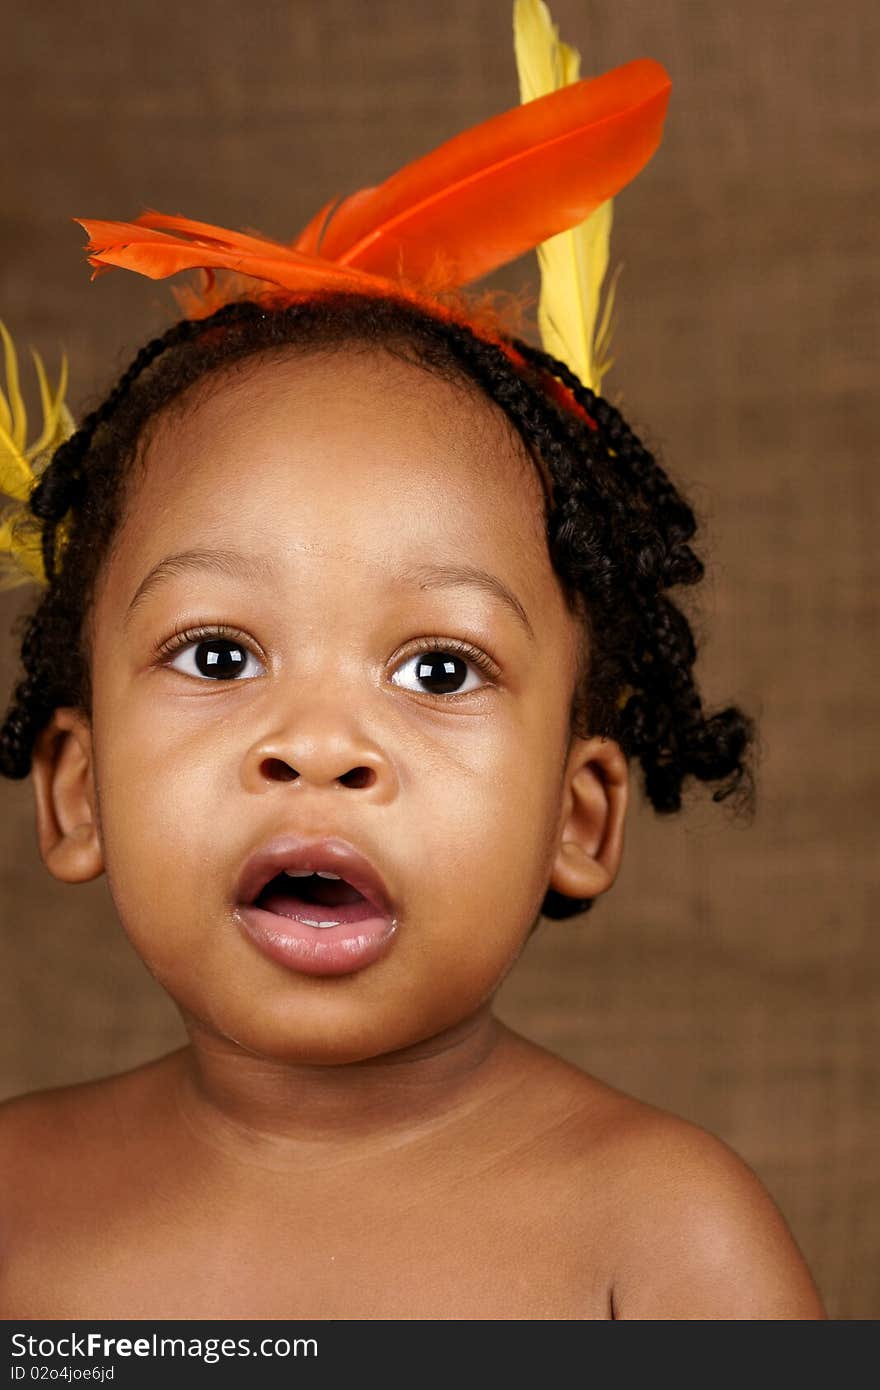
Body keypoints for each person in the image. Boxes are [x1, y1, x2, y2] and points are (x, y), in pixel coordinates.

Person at [0, 1, 824, 1319]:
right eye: (218, 651)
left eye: (438, 670)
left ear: (579, 811)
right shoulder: (17, 1204)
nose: (318, 742)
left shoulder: (662, 1241)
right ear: (76, 789)